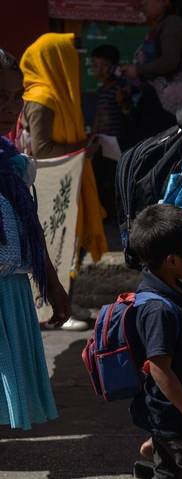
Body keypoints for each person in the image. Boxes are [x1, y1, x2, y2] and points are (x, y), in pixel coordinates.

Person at [0, 48, 70, 430]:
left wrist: (53, 284)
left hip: (10, 294)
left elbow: (31, 230)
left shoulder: (11, 162)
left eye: (16, 97)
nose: (10, 108)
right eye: (0, 97)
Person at [19, 32, 108, 332]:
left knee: (69, 245)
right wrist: (82, 150)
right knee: (57, 244)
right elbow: (42, 149)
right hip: (52, 185)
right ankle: (53, 308)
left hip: (67, 181)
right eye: (70, 55)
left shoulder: (56, 92)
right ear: (55, 58)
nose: (76, 61)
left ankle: (64, 301)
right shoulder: (42, 97)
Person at [127, 204, 182, 479]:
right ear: (172, 261)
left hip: (172, 413)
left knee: (169, 471)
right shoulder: (159, 310)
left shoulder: (174, 289)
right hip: (172, 415)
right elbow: (159, 368)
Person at [121, 0, 182, 141]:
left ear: (166, 2)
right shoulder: (158, 27)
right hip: (159, 105)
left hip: (170, 108)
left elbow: (169, 62)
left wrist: (138, 70)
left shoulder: (173, 24)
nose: (142, 4)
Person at [91, 44, 127, 220]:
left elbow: (127, 111)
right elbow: (98, 117)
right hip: (102, 142)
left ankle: (116, 215)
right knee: (101, 179)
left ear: (111, 66)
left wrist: (124, 101)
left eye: (100, 65)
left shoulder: (119, 89)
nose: (96, 70)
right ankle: (105, 213)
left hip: (116, 143)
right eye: (95, 65)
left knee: (114, 180)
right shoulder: (101, 90)